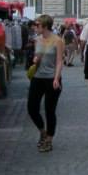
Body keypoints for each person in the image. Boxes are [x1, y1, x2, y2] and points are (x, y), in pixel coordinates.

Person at [27, 15, 65, 153]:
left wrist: (57, 78)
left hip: (51, 79)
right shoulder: (37, 40)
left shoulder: (58, 41)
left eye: (37, 25)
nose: (35, 27)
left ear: (45, 26)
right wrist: (35, 59)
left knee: (50, 110)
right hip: (37, 78)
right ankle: (42, 131)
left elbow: (59, 61)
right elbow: (36, 57)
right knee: (32, 107)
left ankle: (49, 139)